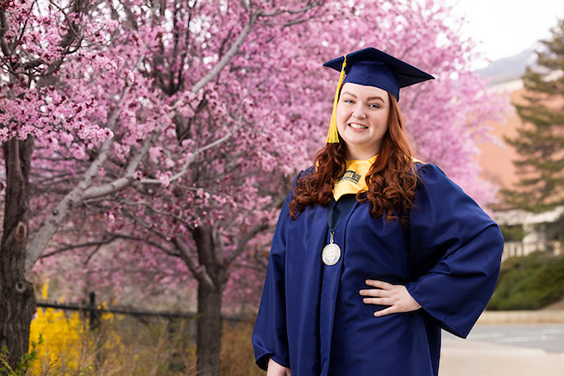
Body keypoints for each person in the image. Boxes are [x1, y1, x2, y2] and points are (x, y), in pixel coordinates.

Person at [252, 47, 504, 376]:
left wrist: (418, 295)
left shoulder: (416, 182)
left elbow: (482, 240)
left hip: (384, 350)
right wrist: (279, 353)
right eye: (350, 100)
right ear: (336, 107)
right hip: (307, 352)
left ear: (390, 116)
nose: (359, 113)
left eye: (374, 104)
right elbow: (280, 270)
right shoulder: (309, 185)